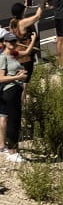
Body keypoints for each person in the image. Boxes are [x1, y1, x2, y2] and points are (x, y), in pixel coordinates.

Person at [0, 31, 25, 161]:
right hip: (9, 91)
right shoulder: (2, 57)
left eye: (14, 41)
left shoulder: (12, 56)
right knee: (12, 121)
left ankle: (14, 150)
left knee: (16, 120)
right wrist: (17, 77)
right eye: (10, 41)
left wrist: (19, 73)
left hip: (16, 90)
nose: (13, 43)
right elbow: (1, 78)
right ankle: (12, 152)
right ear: (4, 42)